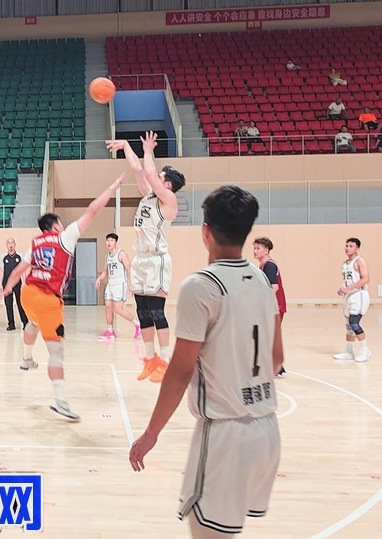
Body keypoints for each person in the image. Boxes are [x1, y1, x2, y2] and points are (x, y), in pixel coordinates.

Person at [128, 185, 284, 539]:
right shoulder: (262, 280)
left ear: (206, 231)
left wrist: (151, 434)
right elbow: (277, 358)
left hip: (225, 436)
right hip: (267, 430)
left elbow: (180, 371)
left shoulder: (201, 285)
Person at [2, 174, 125, 421]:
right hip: (48, 300)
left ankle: (26, 358)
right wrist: (111, 188)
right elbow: (92, 210)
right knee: (56, 353)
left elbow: (17, 272)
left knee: (32, 322)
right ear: (56, 225)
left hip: (27, 294)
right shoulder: (65, 236)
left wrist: (6, 289)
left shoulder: (35, 243)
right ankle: (60, 401)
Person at [106, 132, 185, 384]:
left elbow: (149, 173)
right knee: (142, 311)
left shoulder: (169, 200)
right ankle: (151, 360)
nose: (156, 178)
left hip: (157, 260)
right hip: (141, 260)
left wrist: (149, 150)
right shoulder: (149, 196)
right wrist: (127, 146)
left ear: (168, 185)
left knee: (157, 312)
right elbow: (139, 170)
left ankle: (165, 362)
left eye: (161, 178)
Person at [95, 233, 142, 340]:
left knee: (118, 309)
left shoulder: (121, 253)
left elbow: (128, 268)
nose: (109, 242)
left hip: (120, 283)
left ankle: (137, 324)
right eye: (108, 240)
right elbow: (105, 271)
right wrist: (99, 279)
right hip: (110, 284)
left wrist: (131, 284)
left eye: (111, 240)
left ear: (116, 242)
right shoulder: (107, 256)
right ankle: (110, 331)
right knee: (108, 307)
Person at [253, 237, 287, 377]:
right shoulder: (262, 266)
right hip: (271, 307)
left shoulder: (269, 266)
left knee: (267, 336)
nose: (255, 251)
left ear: (266, 250)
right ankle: (276, 368)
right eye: (254, 248)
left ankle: (276, 368)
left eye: (258, 248)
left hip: (275, 306)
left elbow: (274, 287)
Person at [333, 237, 371, 363]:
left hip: (359, 295)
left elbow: (365, 279)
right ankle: (348, 351)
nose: (347, 248)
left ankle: (365, 349)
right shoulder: (345, 264)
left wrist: (348, 288)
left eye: (351, 246)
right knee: (349, 326)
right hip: (349, 296)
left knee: (354, 323)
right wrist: (343, 290)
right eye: (346, 245)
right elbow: (349, 281)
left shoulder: (360, 261)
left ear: (357, 248)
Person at [0, 237, 29, 331]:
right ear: (6, 245)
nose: (10, 245)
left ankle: (25, 323)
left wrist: (24, 282)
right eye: (9, 243)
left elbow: (23, 270)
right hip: (7, 284)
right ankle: (11, 324)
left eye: (12, 243)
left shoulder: (20, 255)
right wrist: (0, 284)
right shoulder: (3, 256)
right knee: (8, 304)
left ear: (15, 245)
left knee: (21, 304)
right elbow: (1, 271)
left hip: (18, 283)